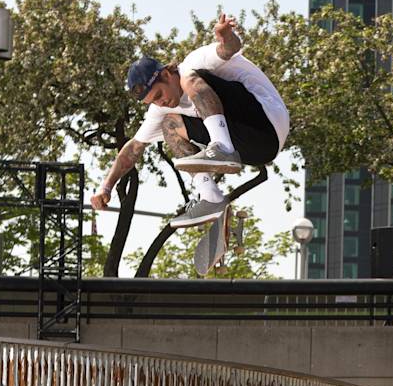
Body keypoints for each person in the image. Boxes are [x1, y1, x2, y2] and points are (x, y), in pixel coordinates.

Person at [90, 13, 290, 229]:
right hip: (256, 150)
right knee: (170, 125)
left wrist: (226, 35)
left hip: (265, 119)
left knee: (189, 78)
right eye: (153, 102)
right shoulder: (161, 109)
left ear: (166, 75)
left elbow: (229, 49)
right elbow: (133, 149)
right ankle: (211, 197)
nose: (162, 103)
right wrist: (106, 187)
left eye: (159, 95)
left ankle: (222, 146)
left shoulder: (194, 61)